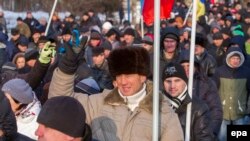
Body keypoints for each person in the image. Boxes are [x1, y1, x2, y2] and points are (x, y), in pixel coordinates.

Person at [48, 44, 184, 140]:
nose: (123, 81)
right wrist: (67, 68)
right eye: (118, 76)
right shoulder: (99, 102)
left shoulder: (164, 114)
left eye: (128, 75)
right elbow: (60, 103)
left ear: (143, 76)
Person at [162, 62, 214, 140]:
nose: (172, 86)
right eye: (168, 81)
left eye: (177, 81)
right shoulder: (155, 105)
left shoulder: (199, 108)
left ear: (185, 81)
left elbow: (205, 138)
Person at [179, 50, 223, 137]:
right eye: (183, 66)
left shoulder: (206, 83)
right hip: (178, 132)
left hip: (201, 131)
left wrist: (211, 132)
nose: (186, 69)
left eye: (189, 65)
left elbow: (215, 110)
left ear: (196, 67)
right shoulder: (173, 84)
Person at [213, 47, 250, 141]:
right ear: (228, 58)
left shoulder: (247, 72)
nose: (236, 61)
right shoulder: (219, 71)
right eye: (233, 58)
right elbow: (213, 91)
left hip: (240, 112)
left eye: (238, 59)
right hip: (222, 112)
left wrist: (248, 110)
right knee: (222, 138)